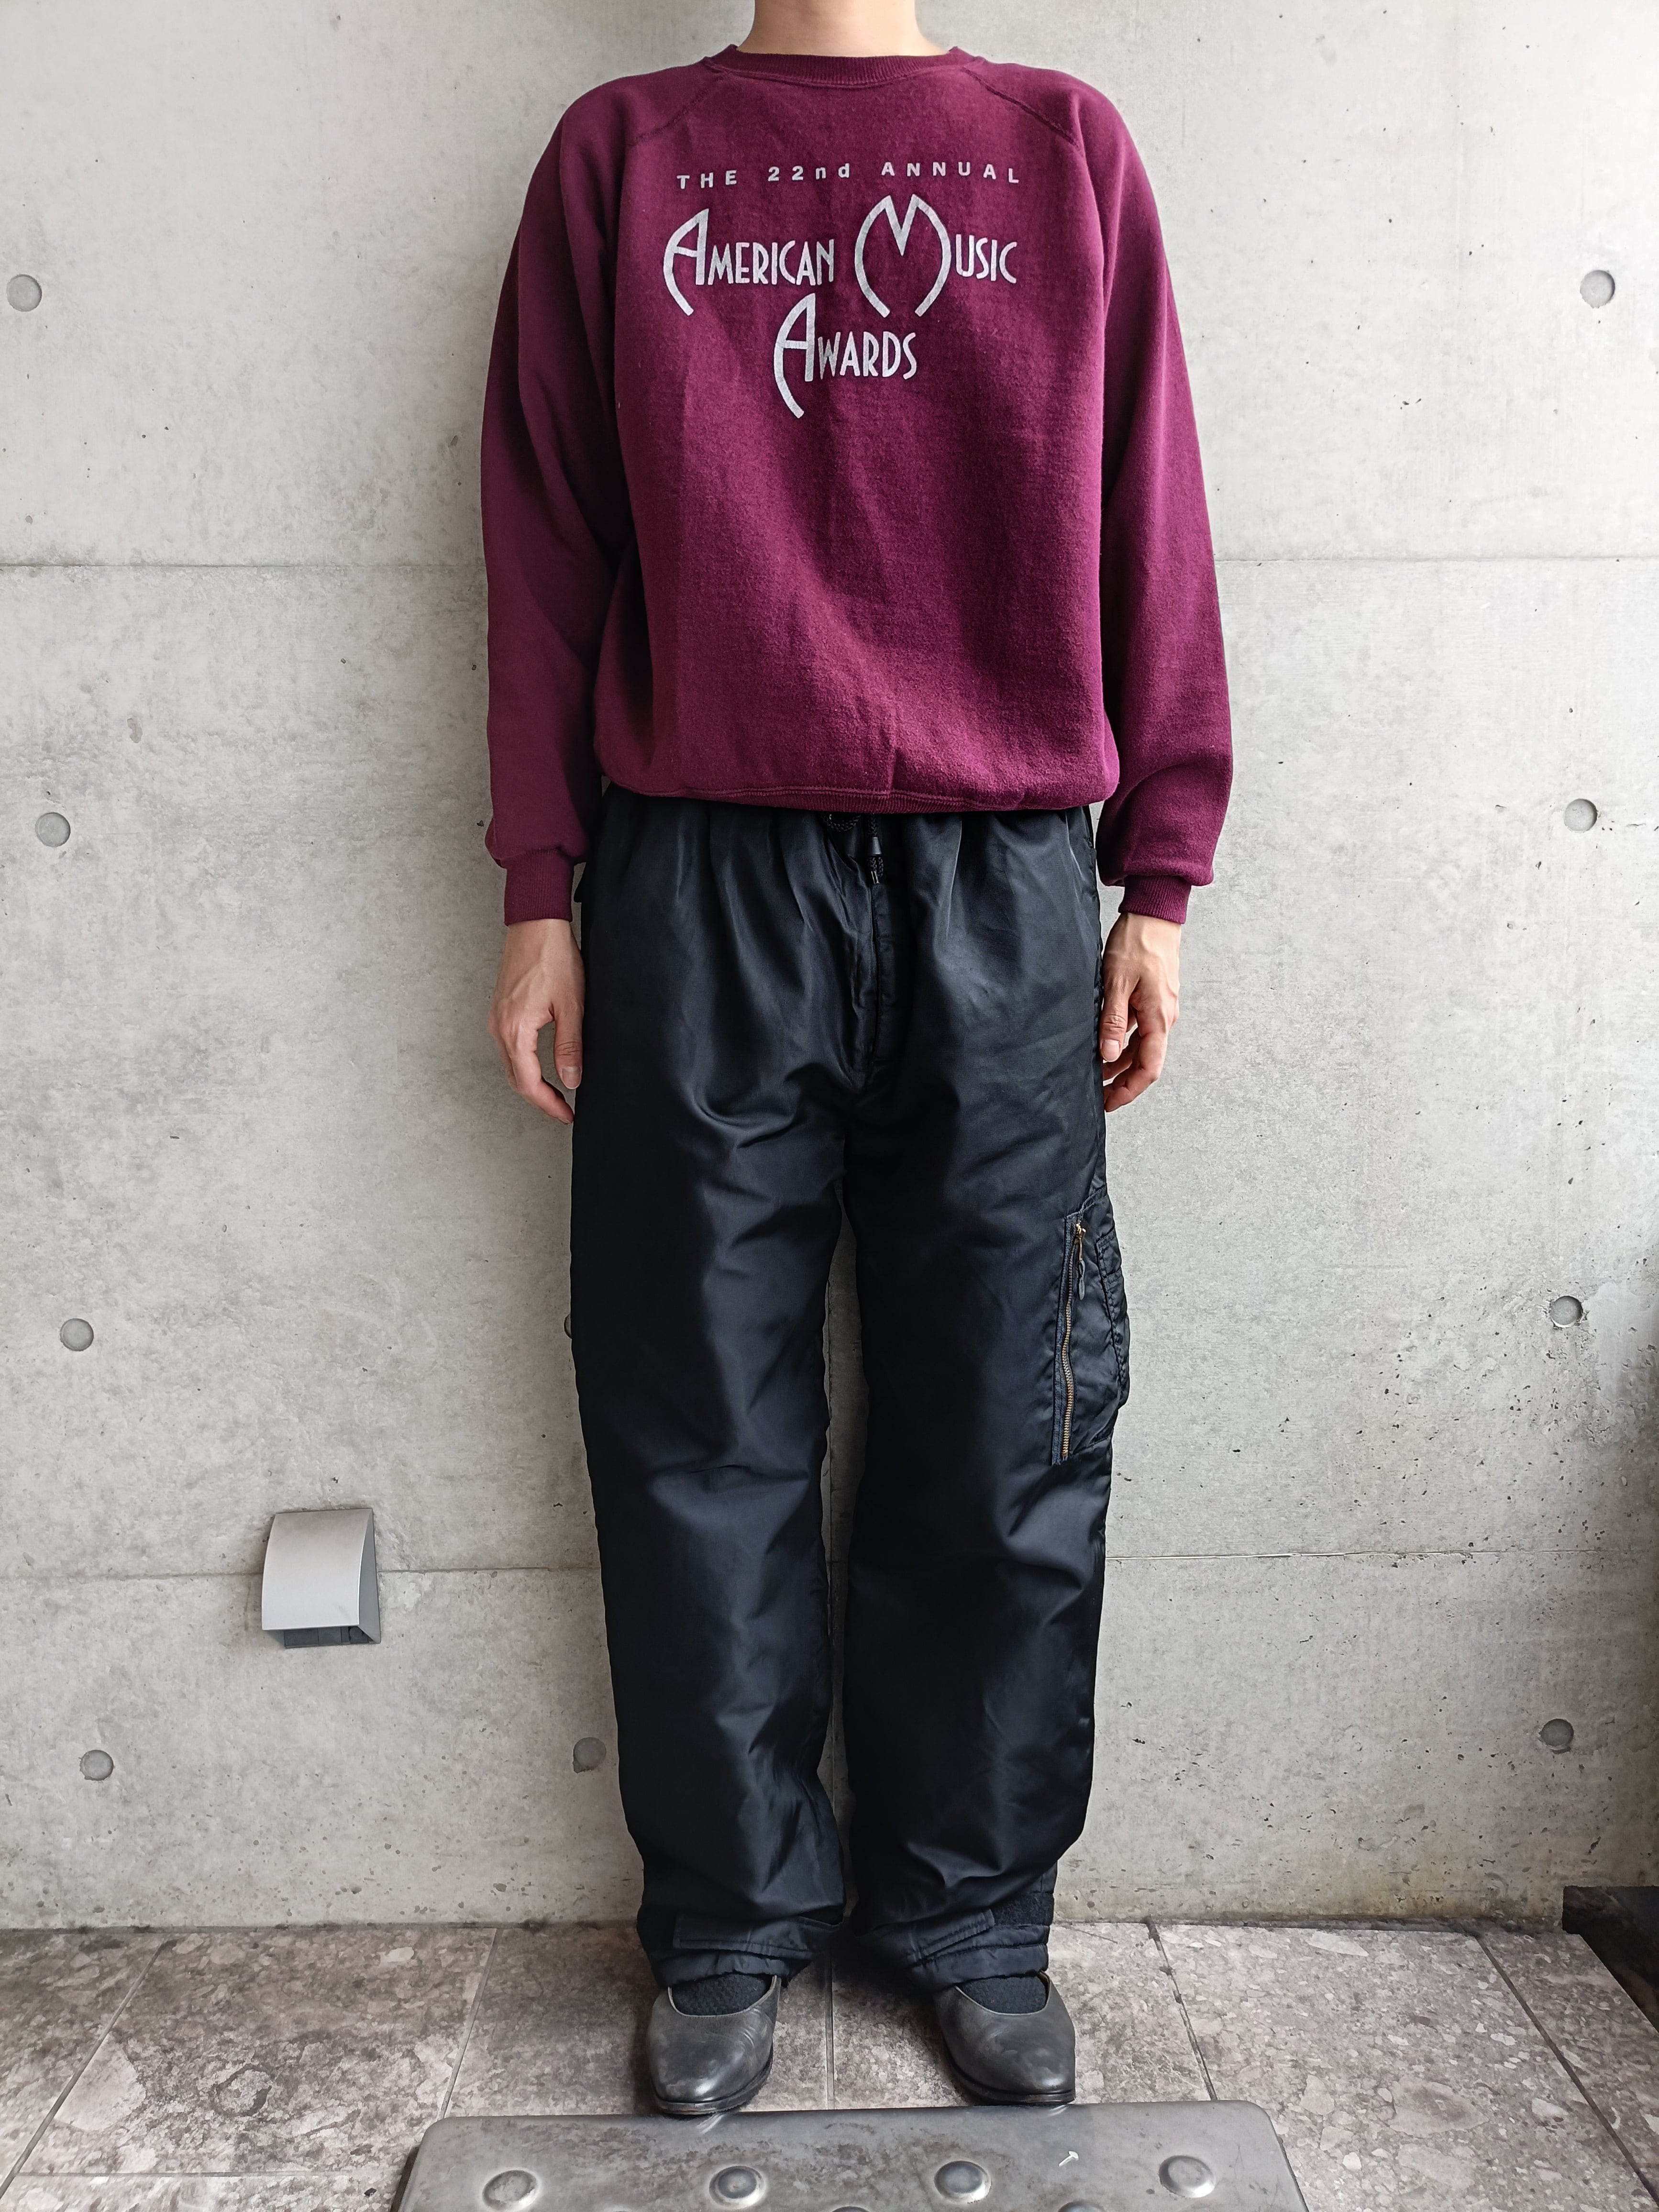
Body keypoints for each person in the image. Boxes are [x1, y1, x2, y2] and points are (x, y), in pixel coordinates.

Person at [481, 0, 1230, 2116]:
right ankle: (728, 1917)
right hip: (700, 868)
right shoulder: (623, 155)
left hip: (1002, 876)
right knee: (692, 1413)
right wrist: (540, 881)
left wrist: (1159, 875)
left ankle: (973, 1912)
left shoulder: (1062, 148)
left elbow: (1147, 507)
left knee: (1008, 1414)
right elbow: (544, 537)